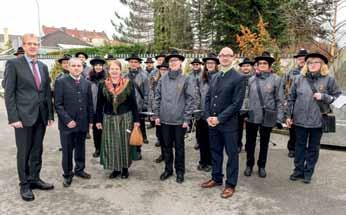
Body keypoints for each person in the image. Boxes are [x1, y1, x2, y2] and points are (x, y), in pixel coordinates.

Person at [4, 34, 54, 201]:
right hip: (23, 117)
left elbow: (46, 92)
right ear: (23, 46)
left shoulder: (42, 66)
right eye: (29, 44)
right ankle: (24, 184)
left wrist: (50, 114)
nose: (33, 46)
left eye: (35, 44)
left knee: (37, 150)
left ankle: (35, 178)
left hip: (40, 116)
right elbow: (9, 93)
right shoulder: (13, 64)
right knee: (24, 151)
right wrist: (13, 118)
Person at [287, 52, 341, 184]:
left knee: (313, 147)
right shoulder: (298, 79)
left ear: (322, 65)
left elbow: (339, 99)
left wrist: (324, 97)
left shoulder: (329, 80)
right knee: (299, 146)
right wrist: (288, 116)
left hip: (318, 121)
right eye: (309, 62)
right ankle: (298, 170)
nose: (312, 64)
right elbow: (291, 98)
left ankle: (308, 172)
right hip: (299, 120)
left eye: (316, 62)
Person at [200, 47, 245, 199]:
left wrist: (219, 118)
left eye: (228, 55)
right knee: (215, 151)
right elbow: (207, 98)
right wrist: (207, 117)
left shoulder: (239, 78)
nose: (225, 58)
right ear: (219, 57)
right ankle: (216, 178)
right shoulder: (215, 76)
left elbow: (236, 104)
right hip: (212, 123)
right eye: (222, 55)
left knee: (232, 154)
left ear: (233, 58)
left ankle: (230, 184)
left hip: (228, 124)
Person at [154, 50, 194, 184]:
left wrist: (187, 118)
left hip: (179, 121)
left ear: (181, 62)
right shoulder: (163, 79)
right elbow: (157, 97)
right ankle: (168, 169)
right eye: (171, 61)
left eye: (176, 60)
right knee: (166, 146)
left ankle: (180, 171)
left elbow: (190, 99)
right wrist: (157, 114)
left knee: (179, 147)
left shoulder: (186, 79)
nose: (173, 62)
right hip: (164, 119)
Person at [95, 60, 140, 179]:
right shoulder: (102, 84)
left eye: (116, 69)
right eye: (112, 69)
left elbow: (134, 103)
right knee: (112, 143)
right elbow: (99, 104)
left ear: (121, 70)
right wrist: (98, 120)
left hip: (125, 117)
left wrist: (136, 121)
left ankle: (125, 169)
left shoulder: (128, 83)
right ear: (108, 71)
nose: (114, 71)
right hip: (109, 118)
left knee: (124, 143)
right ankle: (115, 169)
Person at [244, 52, 284, 178]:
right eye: (260, 63)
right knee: (250, 143)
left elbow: (280, 100)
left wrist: (279, 118)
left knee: (264, 143)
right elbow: (246, 97)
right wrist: (244, 111)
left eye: (264, 63)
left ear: (269, 65)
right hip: (252, 115)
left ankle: (262, 166)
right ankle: (249, 165)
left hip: (268, 116)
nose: (262, 65)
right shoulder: (251, 79)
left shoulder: (276, 79)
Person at [55, 58, 93, 187]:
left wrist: (90, 121)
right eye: (73, 66)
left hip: (82, 123)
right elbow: (58, 105)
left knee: (80, 148)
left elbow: (89, 104)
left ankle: (80, 170)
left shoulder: (86, 83)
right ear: (68, 67)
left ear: (82, 67)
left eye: (79, 65)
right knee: (67, 150)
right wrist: (67, 120)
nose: (76, 68)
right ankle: (67, 174)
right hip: (67, 125)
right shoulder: (61, 82)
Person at [196, 53, 219, 172]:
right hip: (201, 114)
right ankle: (202, 160)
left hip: (213, 115)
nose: (210, 65)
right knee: (202, 139)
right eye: (208, 63)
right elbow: (197, 95)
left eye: (212, 63)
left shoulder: (220, 77)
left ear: (216, 65)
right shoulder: (201, 78)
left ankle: (210, 162)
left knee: (212, 140)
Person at [284, 48, 308, 158]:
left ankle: (304, 148)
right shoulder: (291, 72)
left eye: (303, 58)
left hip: (307, 104)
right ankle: (292, 148)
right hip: (293, 103)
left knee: (306, 128)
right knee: (292, 128)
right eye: (299, 58)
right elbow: (285, 86)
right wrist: (285, 100)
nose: (301, 60)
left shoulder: (311, 72)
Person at [125, 53, 149, 157]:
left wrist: (145, 106)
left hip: (139, 107)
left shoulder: (144, 77)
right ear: (129, 63)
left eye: (136, 62)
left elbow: (147, 93)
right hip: (126, 108)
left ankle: (138, 151)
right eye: (131, 62)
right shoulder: (124, 76)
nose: (133, 64)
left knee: (137, 130)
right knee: (127, 129)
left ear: (139, 63)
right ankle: (129, 150)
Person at [148, 62, 169, 163]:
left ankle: (168, 155)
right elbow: (151, 97)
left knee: (168, 136)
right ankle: (163, 154)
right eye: (162, 69)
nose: (163, 71)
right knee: (160, 135)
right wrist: (152, 112)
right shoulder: (155, 81)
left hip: (168, 113)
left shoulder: (170, 81)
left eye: (165, 69)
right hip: (158, 112)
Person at [88, 56, 107, 157]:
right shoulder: (89, 79)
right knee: (96, 131)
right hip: (94, 109)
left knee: (105, 130)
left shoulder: (106, 78)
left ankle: (105, 148)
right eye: (96, 65)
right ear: (93, 67)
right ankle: (97, 148)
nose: (98, 67)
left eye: (100, 65)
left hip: (105, 109)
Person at [237, 58, 255, 153]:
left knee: (250, 129)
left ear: (251, 67)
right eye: (244, 66)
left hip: (251, 107)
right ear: (241, 68)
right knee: (238, 128)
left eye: (247, 65)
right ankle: (238, 144)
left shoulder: (255, 78)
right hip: (239, 107)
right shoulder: (237, 78)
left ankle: (249, 145)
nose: (246, 68)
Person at [188, 58, 203, 150]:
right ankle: (197, 139)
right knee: (193, 121)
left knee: (200, 123)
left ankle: (199, 140)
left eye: (197, 64)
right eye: (194, 64)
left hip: (201, 102)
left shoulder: (203, 75)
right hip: (192, 101)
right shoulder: (189, 76)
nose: (196, 66)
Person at [145, 57, 157, 129]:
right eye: (148, 63)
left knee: (154, 106)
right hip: (147, 90)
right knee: (148, 106)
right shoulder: (144, 72)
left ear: (152, 64)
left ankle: (155, 120)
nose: (149, 64)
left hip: (154, 89)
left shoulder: (156, 71)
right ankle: (151, 122)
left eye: (150, 63)